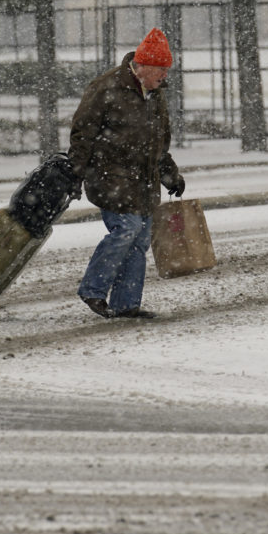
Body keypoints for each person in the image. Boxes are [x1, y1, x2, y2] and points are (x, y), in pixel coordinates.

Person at [68, 28, 185, 319]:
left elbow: (160, 140)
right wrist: (75, 174)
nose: (164, 77)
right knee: (127, 230)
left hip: (144, 182)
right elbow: (83, 135)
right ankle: (93, 290)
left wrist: (170, 174)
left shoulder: (156, 95)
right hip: (110, 179)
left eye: (166, 71)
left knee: (141, 239)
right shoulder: (106, 87)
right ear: (143, 66)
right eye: (160, 71)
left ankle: (126, 304)